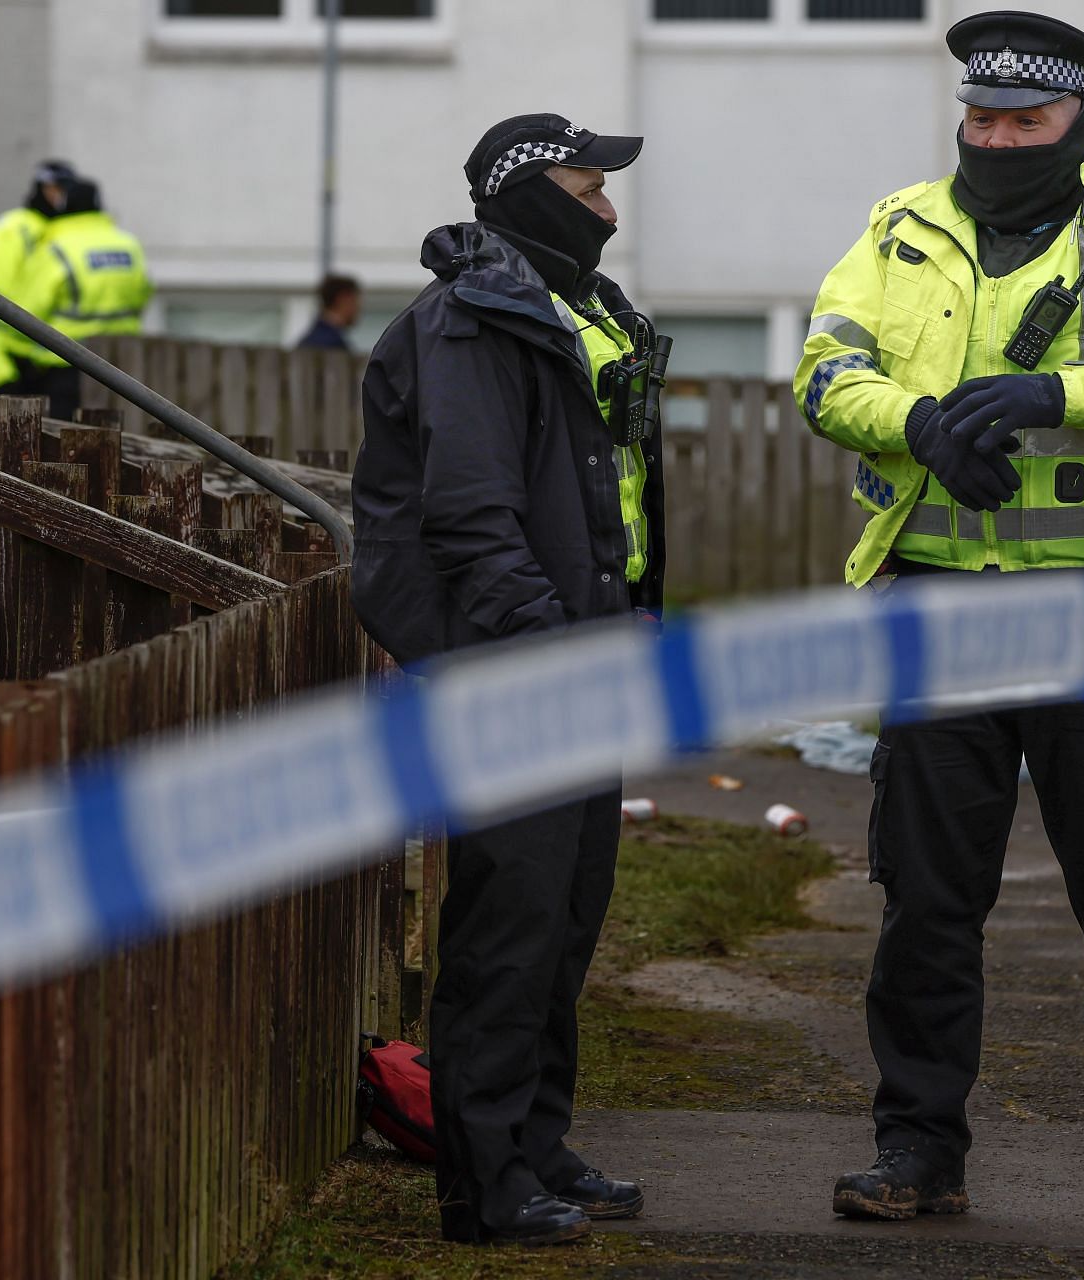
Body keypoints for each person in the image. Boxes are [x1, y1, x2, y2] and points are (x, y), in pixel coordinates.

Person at [795, 10, 1084, 1238]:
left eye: (1024, 122)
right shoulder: (901, 227)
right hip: (937, 608)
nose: (998, 139)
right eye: (981, 119)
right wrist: (919, 421)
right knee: (928, 906)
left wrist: (1060, 390)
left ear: (1075, 121)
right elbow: (825, 372)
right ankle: (916, 1153)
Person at [350, 113, 666, 1248]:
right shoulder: (472, 324)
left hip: (584, 657)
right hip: (516, 665)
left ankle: (536, 1141)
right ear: (529, 195)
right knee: (507, 926)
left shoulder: (562, 314)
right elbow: (474, 516)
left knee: (568, 913)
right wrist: (547, 643)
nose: (609, 212)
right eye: (589, 191)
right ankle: (485, 1182)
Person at [10, 178, 153, 422]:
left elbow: (30, 309)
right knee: (123, 440)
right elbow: (143, 293)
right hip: (123, 363)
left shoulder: (56, 248)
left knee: (67, 442)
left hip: (66, 361)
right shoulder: (129, 245)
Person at [0, 159, 74, 397]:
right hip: (12, 368)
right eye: (56, 189)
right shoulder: (12, 231)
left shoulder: (63, 232)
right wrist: (1, 377)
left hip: (48, 370)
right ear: (42, 189)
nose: (61, 197)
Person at [296, 274, 362, 350]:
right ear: (343, 299)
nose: (358, 308)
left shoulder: (307, 340)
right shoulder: (334, 344)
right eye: (355, 301)